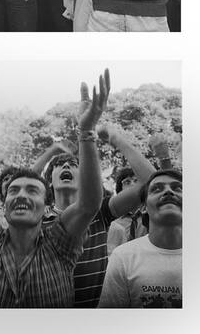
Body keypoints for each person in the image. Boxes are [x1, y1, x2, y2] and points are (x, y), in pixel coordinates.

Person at [0, 68, 110, 307]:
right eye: (14, 190)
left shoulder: (60, 243)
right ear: (4, 205)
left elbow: (89, 204)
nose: (21, 194)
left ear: (47, 207)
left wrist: (86, 132)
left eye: (32, 190)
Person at [33, 123, 156, 307]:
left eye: (74, 164)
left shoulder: (99, 212)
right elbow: (18, 187)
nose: (66, 164)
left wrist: (116, 139)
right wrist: (51, 152)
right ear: (50, 179)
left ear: (85, 178)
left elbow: (152, 182)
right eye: (58, 164)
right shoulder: (36, 219)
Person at [99, 170, 182, 308]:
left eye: (177, 187)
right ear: (143, 207)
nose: (168, 192)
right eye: (157, 189)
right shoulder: (122, 257)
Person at [106, 167, 148, 255]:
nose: (133, 185)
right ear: (120, 189)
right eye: (127, 182)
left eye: (136, 181)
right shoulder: (111, 221)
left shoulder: (151, 215)